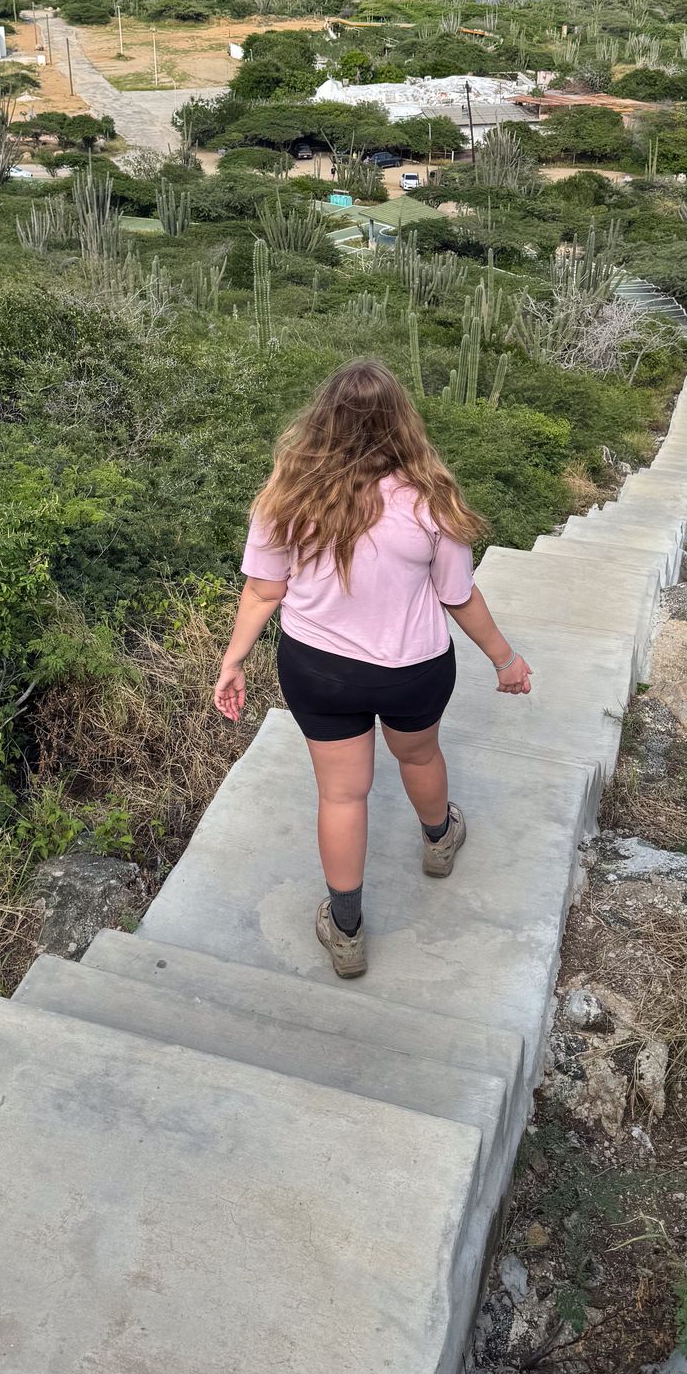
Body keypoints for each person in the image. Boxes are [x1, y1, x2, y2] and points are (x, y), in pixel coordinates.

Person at [214, 360, 532, 980]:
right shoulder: (431, 498)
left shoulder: (288, 494)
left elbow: (262, 590)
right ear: (401, 423)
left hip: (319, 667)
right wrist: (505, 659)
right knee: (418, 756)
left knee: (340, 793)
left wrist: (233, 661)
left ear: (321, 420)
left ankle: (348, 930)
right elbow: (458, 595)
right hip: (412, 669)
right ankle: (440, 839)